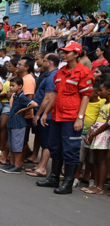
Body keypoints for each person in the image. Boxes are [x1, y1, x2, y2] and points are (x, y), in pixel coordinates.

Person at [37, 41, 94, 194]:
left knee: (70, 150)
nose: (63, 54)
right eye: (62, 51)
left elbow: (85, 96)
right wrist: (46, 113)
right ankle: (53, 178)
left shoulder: (83, 72)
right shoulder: (61, 72)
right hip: (57, 116)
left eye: (67, 52)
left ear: (76, 54)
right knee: (55, 147)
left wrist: (80, 118)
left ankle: (67, 183)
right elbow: (55, 94)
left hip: (71, 117)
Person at [0, 77, 38, 174]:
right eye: (10, 85)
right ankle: (12, 163)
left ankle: (17, 166)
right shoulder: (15, 96)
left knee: (17, 146)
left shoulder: (22, 97)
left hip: (19, 124)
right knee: (12, 145)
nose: (11, 87)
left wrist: (23, 110)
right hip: (12, 123)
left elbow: (34, 104)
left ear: (20, 86)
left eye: (13, 85)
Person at [83, 78, 110, 193]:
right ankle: (96, 184)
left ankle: (100, 187)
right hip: (97, 131)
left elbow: (108, 122)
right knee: (97, 159)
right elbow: (98, 118)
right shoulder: (104, 103)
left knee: (102, 159)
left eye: (101, 90)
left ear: (109, 91)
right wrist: (91, 131)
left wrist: (95, 133)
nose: (99, 92)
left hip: (103, 133)